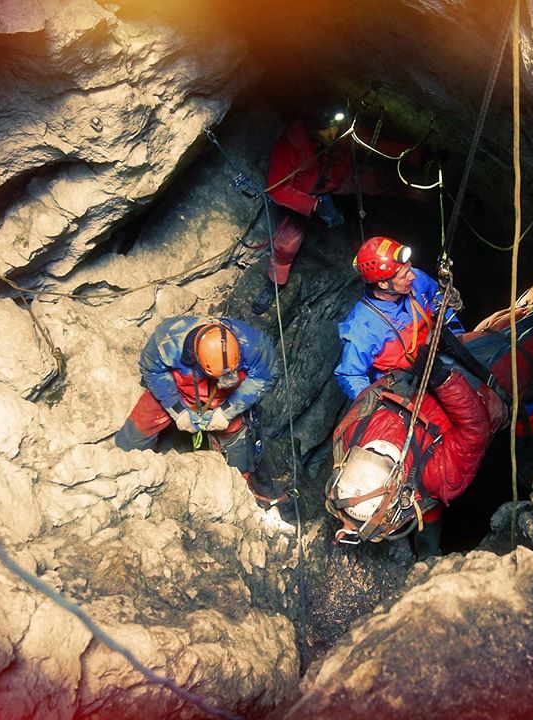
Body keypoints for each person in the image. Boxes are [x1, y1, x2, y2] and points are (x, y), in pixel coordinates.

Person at [325, 301, 533, 559]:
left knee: (507, 321)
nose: (380, 450)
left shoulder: (347, 437)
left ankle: (427, 552)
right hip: (488, 385)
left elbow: (377, 390)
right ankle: (531, 479)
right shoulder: (439, 477)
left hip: (453, 358)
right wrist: (443, 381)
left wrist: (411, 373)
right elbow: (475, 428)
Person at [251, 99, 426, 315]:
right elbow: (278, 190)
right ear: (312, 127)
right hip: (307, 191)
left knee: (378, 180)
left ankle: (417, 193)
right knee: (286, 243)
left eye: (334, 128)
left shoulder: (342, 131)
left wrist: (416, 155)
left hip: (336, 177)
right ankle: (274, 284)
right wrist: (315, 206)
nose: (332, 133)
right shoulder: (291, 144)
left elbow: (374, 143)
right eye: (326, 130)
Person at [115, 315, 279, 489]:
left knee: (237, 442)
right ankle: (121, 465)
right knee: (142, 423)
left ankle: (241, 486)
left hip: (226, 394)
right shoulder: (169, 342)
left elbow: (264, 377)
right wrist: (177, 409)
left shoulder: (253, 345)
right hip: (178, 387)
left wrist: (227, 411)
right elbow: (153, 372)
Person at [334, 235, 465, 401]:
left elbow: (439, 299)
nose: (412, 276)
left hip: (441, 358)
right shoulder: (362, 327)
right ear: (383, 284)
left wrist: (457, 337)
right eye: (404, 275)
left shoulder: (417, 280)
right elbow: (350, 375)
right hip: (406, 386)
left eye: (409, 269)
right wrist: (376, 402)